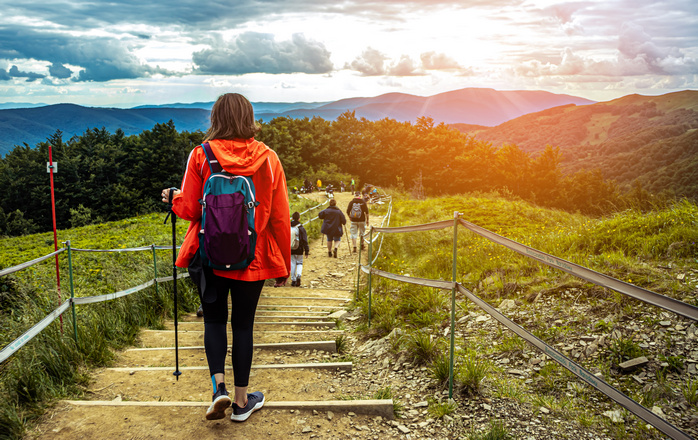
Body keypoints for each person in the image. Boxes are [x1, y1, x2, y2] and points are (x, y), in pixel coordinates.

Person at [160, 92, 290, 423]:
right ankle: (244, 402)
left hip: (209, 255)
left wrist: (174, 199)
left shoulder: (200, 155)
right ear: (250, 118)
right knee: (243, 325)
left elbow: (190, 208)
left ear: (216, 118)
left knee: (215, 321)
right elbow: (279, 216)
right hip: (254, 257)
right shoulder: (269, 158)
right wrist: (283, 265)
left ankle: (219, 390)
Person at [290, 211, 310, 286]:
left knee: (292, 263)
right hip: (299, 248)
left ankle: (293, 280)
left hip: (290, 248)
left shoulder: (288, 226)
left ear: (292, 218)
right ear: (299, 218)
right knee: (299, 263)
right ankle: (298, 275)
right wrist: (306, 250)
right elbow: (305, 240)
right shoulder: (301, 228)